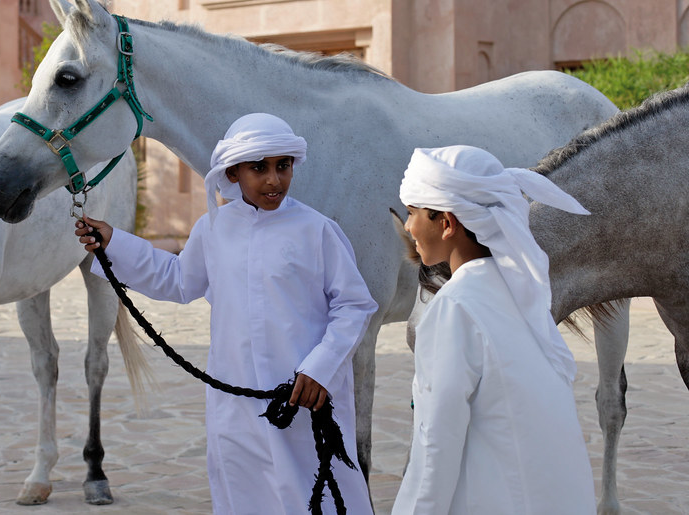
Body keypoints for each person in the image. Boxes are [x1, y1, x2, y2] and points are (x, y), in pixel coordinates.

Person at [76, 112, 378, 514]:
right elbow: (179, 279)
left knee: (312, 494)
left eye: (283, 166)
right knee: (244, 494)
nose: (274, 180)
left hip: (301, 398)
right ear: (232, 173)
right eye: (259, 168)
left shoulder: (316, 229)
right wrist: (114, 243)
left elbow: (354, 305)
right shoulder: (214, 228)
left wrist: (320, 368)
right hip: (236, 401)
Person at [392, 145, 595, 514]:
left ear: (447, 223)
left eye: (411, 213)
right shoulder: (518, 294)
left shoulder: (455, 307)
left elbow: (436, 440)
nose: (407, 227)